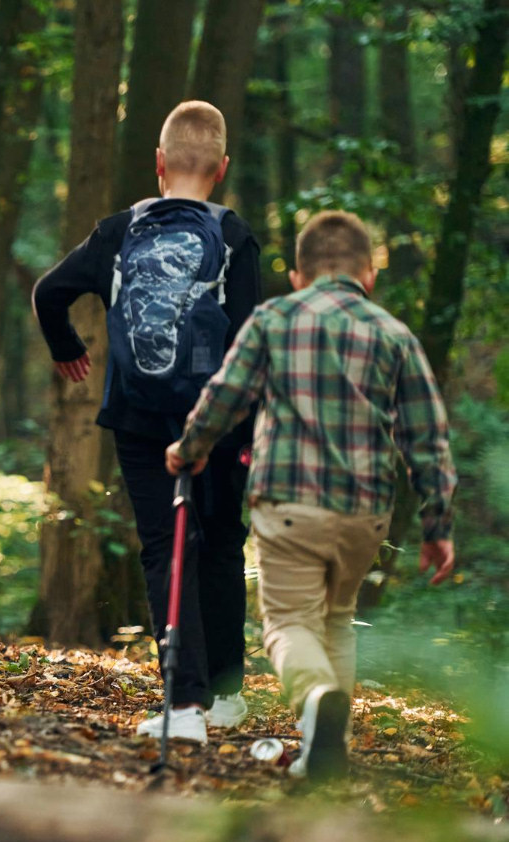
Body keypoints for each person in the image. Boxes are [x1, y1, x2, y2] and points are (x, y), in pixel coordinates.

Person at [167, 210, 456, 780]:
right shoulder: (393, 334)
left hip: (289, 503)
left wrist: (191, 446)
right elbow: (427, 437)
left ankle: (317, 700)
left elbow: (228, 393)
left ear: (299, 276)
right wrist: (437, 524)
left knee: (288, 624)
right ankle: (325, 751)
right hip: (365, 512)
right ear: (368, 275)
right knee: (337, 620)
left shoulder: (275, 317)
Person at [31, 101, 261, 743]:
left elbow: (50, 291)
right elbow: (250, 338)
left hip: (139, 415)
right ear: (221, 168)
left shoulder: (116, 232)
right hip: (220, 418)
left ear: (158, 164)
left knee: (166, 546)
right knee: (219, 542)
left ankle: (181, 708)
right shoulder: (235, 234)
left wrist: (68, 349)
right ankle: (224, 695)